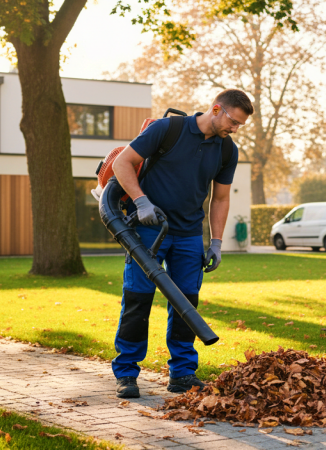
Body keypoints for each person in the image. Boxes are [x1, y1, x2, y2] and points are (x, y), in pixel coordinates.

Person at [110, 89, 254, 398]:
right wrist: (141, 201)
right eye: (234, 121)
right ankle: (126, 373)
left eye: (240, 125)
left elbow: (222, 197)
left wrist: (216, 242)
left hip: (189, 234)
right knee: (137, 299)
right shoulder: (168, 129)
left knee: (187, 302)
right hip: (149, 229)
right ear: (216, 109)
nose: (235, 129)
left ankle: (182, 374)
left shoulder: (227, 150)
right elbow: (123, 163)